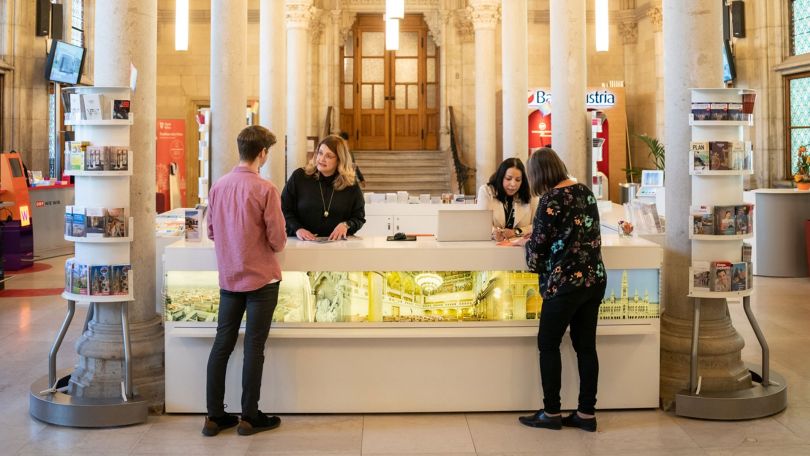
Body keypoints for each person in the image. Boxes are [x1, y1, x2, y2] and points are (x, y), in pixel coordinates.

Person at [514, 147, 606, 432]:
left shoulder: (550, 199)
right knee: (586, 348)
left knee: (548, 344)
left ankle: (551, 412)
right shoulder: (585, 192)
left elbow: (538, 256)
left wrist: (527, 244)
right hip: (594, 279)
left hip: (565, 283)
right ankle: (586, 414)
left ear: (539, 173)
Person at [203, 125, 287, 437]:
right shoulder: (266, 189)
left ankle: (214, 416)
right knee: (254, 346)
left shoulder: (218, 186)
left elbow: (212, 232)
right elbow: (278, 240)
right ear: (262, 153)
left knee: (221, 344)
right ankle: (250, 416)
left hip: (229, 278)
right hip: (261, 279)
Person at [282, 134, 365, 240]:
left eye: (329, 156)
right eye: (320, 153)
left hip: (337, 245)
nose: (321, 159)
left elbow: (359, 217)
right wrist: (297, 229)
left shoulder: (350, 184)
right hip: (300, 243)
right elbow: (283, 208)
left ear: (339, 160)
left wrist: (346, 225)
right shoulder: (299, 177)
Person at [477, 158, 535, 241]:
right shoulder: (486, 191)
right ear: (501, 177)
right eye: (508, 179)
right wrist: (494, 233)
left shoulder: (530, 193)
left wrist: (515, 232)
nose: (513, 184)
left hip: (521, 245)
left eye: (518, 180)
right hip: (493, 244)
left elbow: (536, 225)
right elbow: (482, 223)